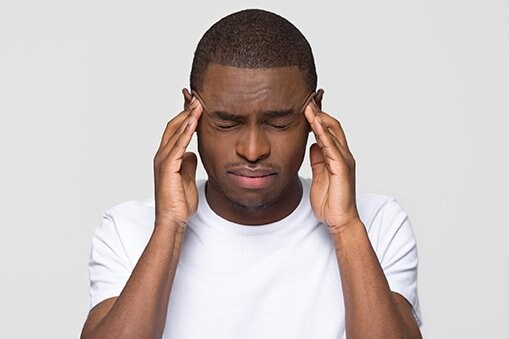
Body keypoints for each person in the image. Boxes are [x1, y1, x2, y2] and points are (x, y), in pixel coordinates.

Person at [81, 9, 422, 339]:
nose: (253, 149)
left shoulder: (376, 225)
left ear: (314, 114)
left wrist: (346, 226)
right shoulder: (129, 230)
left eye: (279, 122)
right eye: (227, 122)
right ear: (191, 115)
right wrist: (169, 227)